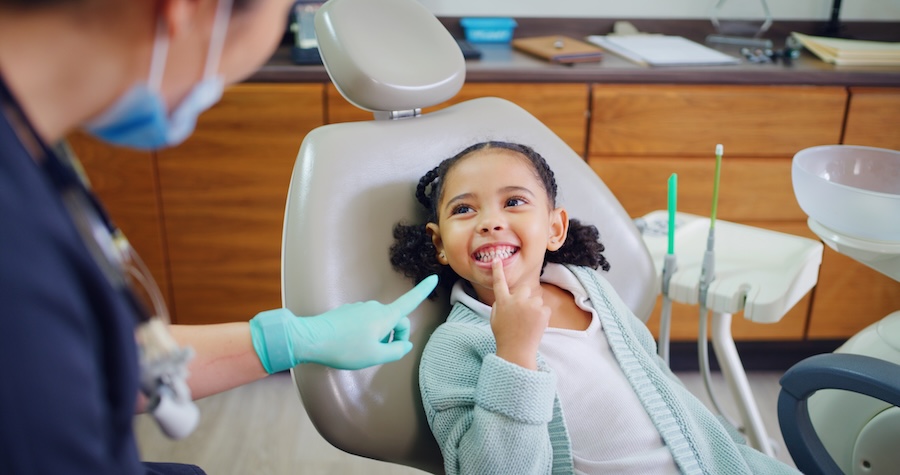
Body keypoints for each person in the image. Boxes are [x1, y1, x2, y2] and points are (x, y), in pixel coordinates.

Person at [0, 0, 436, 473]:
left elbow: (71, 363)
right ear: (189, 8)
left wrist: (287, 340)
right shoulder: (16, 253)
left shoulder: (27, 143)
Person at [389, 141, 799, 475]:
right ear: (440, 243)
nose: (490, 222)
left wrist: (735, 454)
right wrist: (514, 357)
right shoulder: (453, 349)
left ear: (554, 228)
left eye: (514, 202)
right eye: (464, 209)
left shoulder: (589, 289)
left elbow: (661, 384)